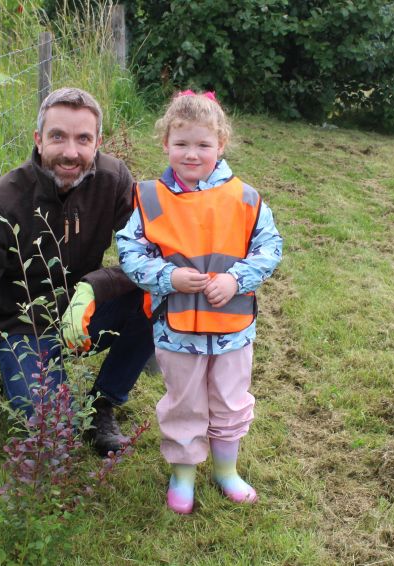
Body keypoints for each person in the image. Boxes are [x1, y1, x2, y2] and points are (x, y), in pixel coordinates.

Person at [0, 87, 154, 460]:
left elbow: (148, 256)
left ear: (98, 143)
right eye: (58, 136)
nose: (70, 152)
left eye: (83, 139)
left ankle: (102, 406)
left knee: (155, 297)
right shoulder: (0, 202)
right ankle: (31, 379)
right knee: (54, 438)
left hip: (83, 314)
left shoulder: (114, 179)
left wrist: (93, 288)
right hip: (22, 326)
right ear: (38, 140)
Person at [116, 91, 282, 514]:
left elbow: (270, 248)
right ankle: (183, 474)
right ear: (165, 143)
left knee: (230, 400)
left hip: (234, 330)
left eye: (203, 145)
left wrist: (236, 278)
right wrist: (167, 277)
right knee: (184, 403)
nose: (192, 154)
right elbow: (130, 254)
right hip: (176, 330)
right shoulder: (150, 197)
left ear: (221, 145)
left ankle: (227, 471)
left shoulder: (246, 198)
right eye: (182, 143)